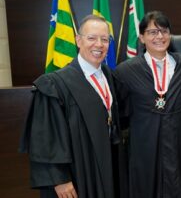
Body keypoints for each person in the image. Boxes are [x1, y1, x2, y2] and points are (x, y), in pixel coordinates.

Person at [19, 15, 127, 198]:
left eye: (104, 39)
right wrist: (59, 179)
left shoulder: (109, 77)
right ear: (78, 40)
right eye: (91, 38)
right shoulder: (55, 85)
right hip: (77, 173)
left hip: (105, 166)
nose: (99, 45)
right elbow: (46, 139)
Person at [113, 11, 181, 198]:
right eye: (152, 32)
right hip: (145, 145)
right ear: (142, 38)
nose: (159, 36)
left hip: (179, 142)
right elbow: (120, 111)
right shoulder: (125, 72)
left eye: (164, 31)